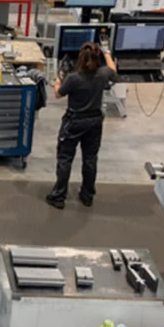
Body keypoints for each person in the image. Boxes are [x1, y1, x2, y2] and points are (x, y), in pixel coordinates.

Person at [45, 41, 116, 209]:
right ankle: (87, 195)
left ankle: (59, 196)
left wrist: (58, 79)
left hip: (74, 121)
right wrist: (107, 52)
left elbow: (57, 94)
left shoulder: (74, 78)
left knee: (65, 158)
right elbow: (113, 70)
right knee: (90, 159)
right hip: (94, 122)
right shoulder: (102, 74)